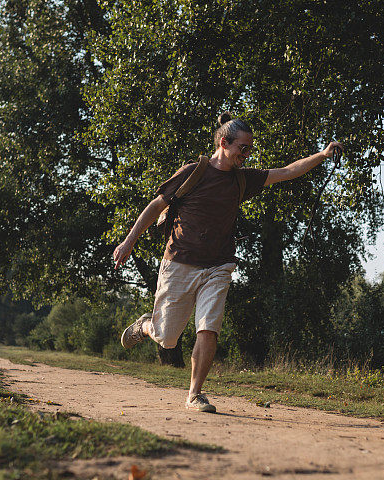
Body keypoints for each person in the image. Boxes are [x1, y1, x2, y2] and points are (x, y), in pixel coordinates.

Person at [113, 112, 343, 413]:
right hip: (180, 262)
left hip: (219, 265)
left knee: (208, 328)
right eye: (243, 148)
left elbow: (286, 171)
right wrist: (128, 242)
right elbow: (156, 206)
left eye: (250, 149)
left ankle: (194, 394)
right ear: (225, 143)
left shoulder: (242, 180)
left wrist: (322, 155)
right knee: (167, 339)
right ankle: (146, 326)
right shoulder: (193, 172)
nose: (247, 155)